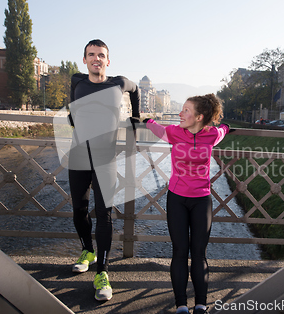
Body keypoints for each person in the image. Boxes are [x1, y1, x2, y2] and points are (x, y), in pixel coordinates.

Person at [67, 39, 140, 301]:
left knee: (104, 214)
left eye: (101, 55)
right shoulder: (77, 80)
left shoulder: (119, 83)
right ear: (84, 59)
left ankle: (103, 272)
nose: (96, 59)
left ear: (108, 61)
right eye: (91, 55)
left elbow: (136, 89)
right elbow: (72, 104)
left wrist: (137, 116)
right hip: (78, 156)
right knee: (78, 210)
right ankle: (88, 250)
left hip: (105, 158)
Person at [143, 94, 229, 314]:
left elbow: (222, 131)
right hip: (177, 199)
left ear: (199, 117)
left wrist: (227, 126)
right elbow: (158, 129)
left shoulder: (211, 135)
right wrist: (147, 122)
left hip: (202, 201)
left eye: (186, 110)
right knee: (180, 251)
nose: (180, 114)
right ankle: (181, 305)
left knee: (199, 253)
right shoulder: (174, 132)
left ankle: (201, 304)